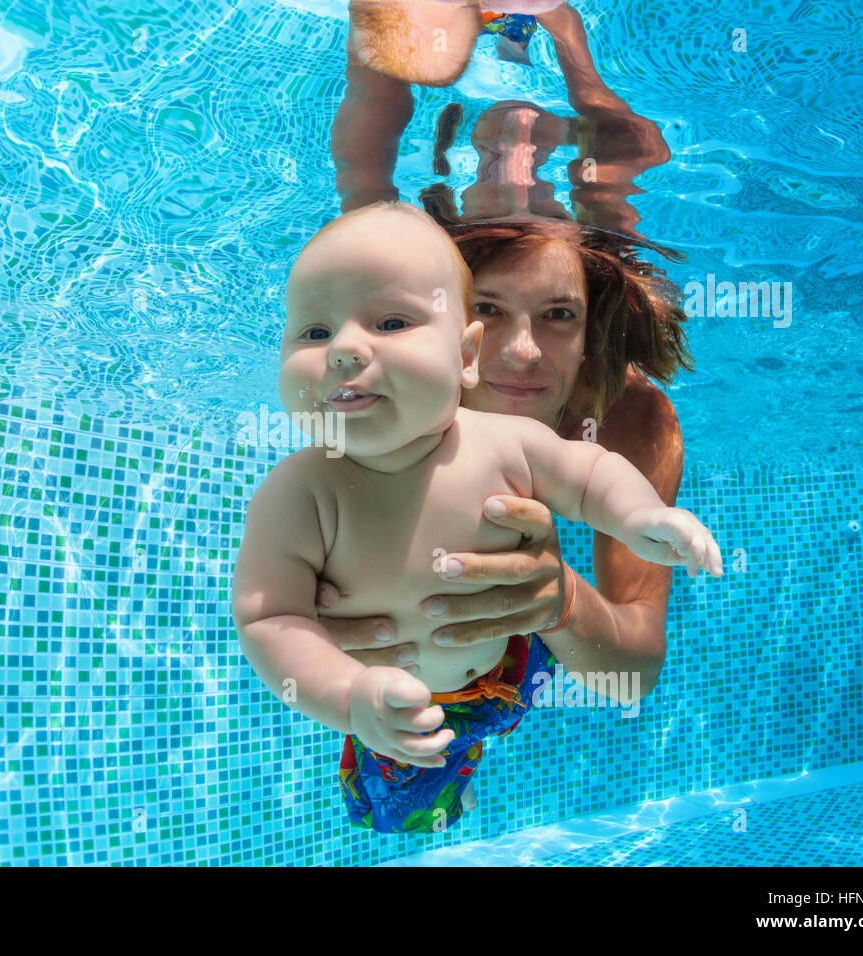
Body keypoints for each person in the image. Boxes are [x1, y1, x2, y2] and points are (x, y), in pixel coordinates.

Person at [231, 202, 723, 833]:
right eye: (315, 334)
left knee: (492, 710)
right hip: (405, 705)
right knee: (400, 811)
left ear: (462, 353)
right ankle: (449, 781)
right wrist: (348, 694)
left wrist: (639, 520)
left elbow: (593, 475)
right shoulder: (301, 488)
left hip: (514, 665)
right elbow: (269, 617)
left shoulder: (523, 438)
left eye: (559, 314)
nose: (347, 350)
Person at [321, 3, 694, 744]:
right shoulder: (401, 360)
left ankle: (560, 33)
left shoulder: (630, 417)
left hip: (528, 640)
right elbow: (363, 158)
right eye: (487, 309)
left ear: (592, 331)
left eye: (560, 316)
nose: (522, 352)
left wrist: (557, 600)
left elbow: (636, 665)